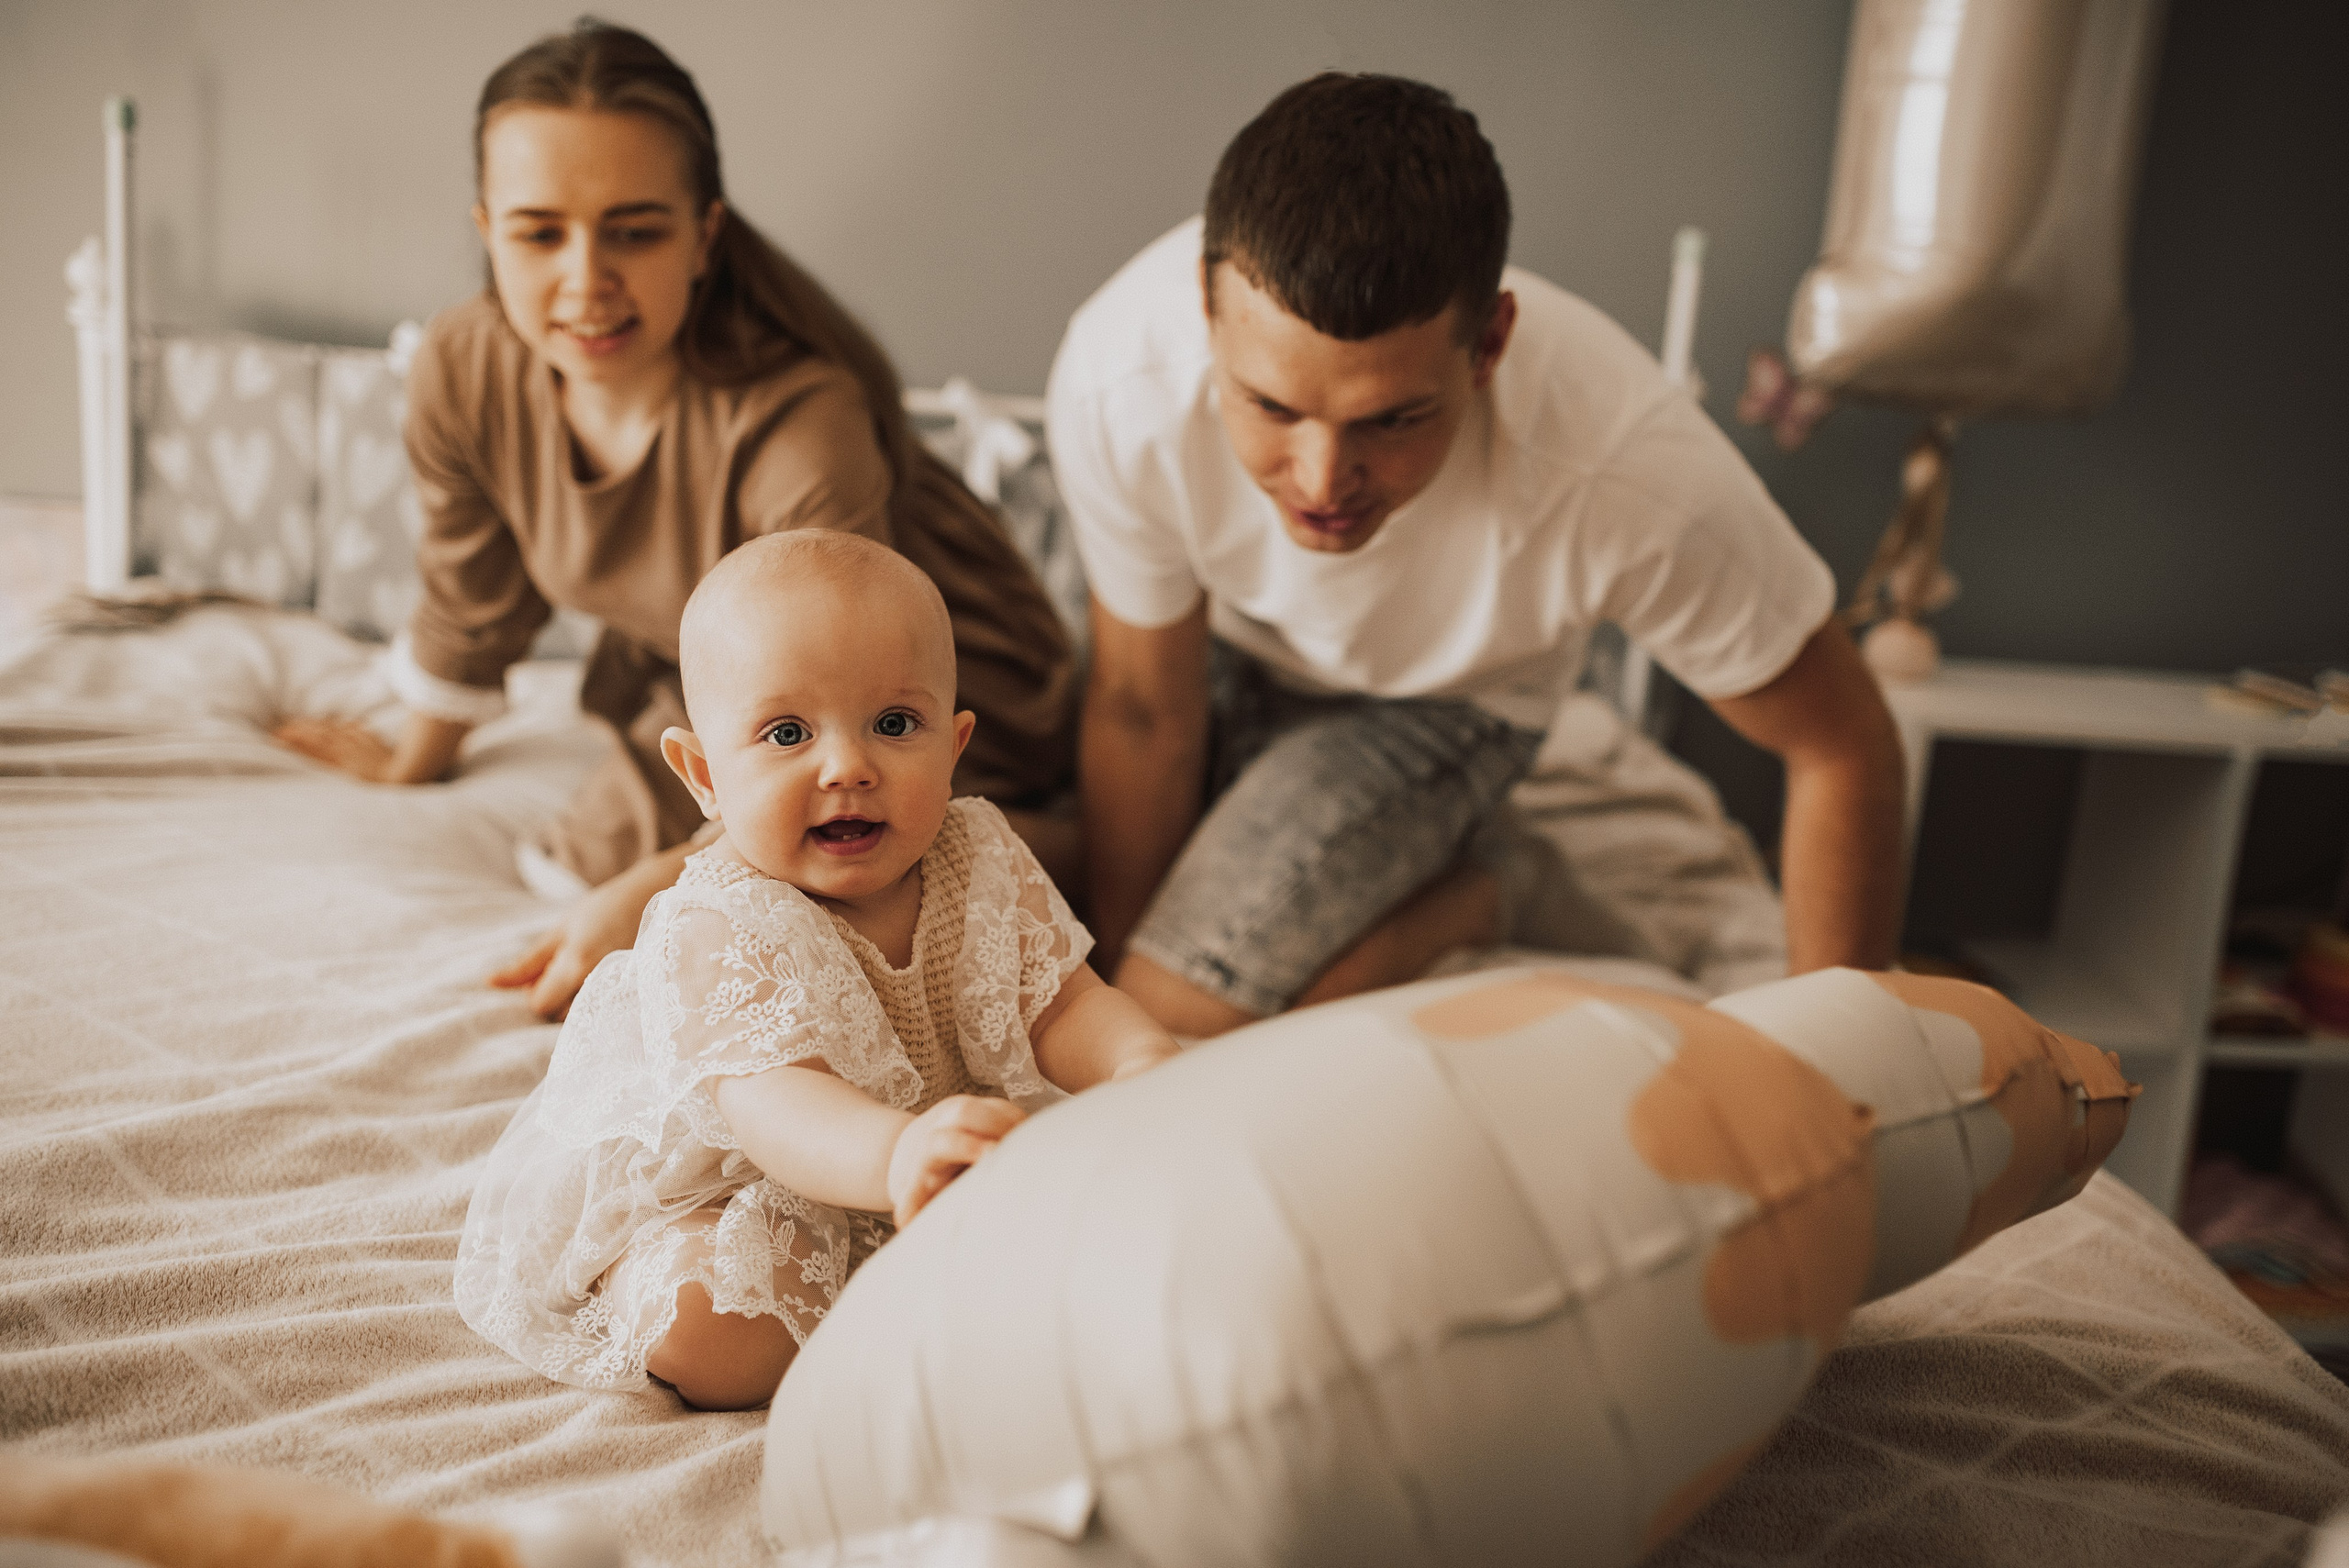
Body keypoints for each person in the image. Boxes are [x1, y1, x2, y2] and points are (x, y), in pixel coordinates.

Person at [1047, 73, 1905, 1039]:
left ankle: (1488, 886)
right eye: (1274, 408)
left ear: (1489, 343)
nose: (1323, 479)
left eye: (1393, 418)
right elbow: (1141, 705)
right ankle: (1470, 885)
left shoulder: (1624, 468)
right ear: (1206, 315)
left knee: (1184, 1020)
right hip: (1226, 648)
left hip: (1445, 705)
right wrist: (1115, 999)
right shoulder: (1121, 379)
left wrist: (1839, 1072)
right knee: (1062, 919)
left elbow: (1842, 739)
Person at [275, 21, 1076, 1019]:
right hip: (732, 691)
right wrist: (411, 758)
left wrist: (662, 888)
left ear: (704, 236)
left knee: (778, 923)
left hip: (898, 712)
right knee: (565, 873)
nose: (584, 281)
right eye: (539, 233)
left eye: (634, 230)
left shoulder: (797, 427)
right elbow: (471, 593)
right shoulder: (466, 366)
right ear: (486, 231)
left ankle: (1054, 835)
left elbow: (845, 710)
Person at [454, 532, 1178, 1410]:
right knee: (722, 1330)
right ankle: (634, 1272)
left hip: (927, 1151)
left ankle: (922, 1258)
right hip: (744, 1175)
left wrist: (1141, 1063)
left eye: (894, 724)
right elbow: (776, 1104)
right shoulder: (717, 917)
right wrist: (897, 1151)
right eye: (788, 733)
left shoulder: (980, 852)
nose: (848, 767)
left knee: (1112, 1226)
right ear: (704, 775)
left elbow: (1062, 1005)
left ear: (953, 747)